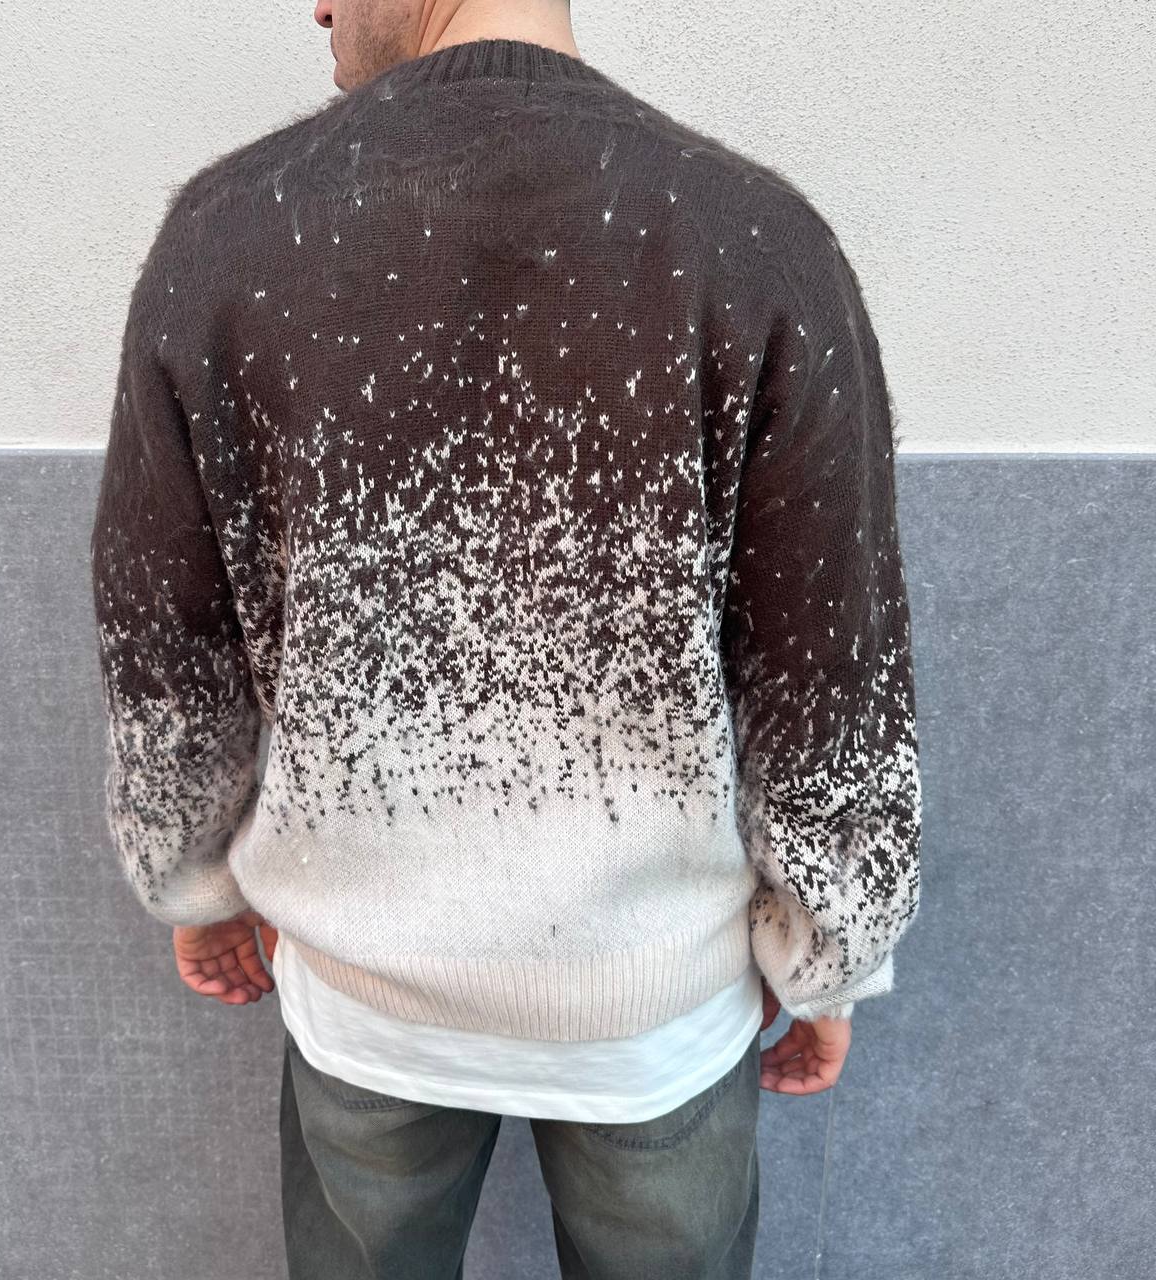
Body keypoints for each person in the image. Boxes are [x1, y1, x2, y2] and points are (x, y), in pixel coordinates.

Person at [89, 1, 923, 1275]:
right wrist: (829, 956)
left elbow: (164, 641)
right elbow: (830, 671)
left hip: (366, 996)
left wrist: (191, 878)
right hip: (656, 1009)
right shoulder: (755, 243)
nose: (316, 6)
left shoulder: (231, 233)